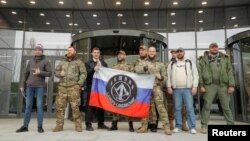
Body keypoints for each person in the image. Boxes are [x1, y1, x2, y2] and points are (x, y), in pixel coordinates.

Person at [198, 42, 235, 134]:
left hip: (223, 85)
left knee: (226, 106)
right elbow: (200, 73)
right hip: (209, 85)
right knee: (206, 106)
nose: (214, 49)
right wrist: (201, 85)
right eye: (212, 47)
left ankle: (230, 125)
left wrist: (231, 85)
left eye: (216, 47)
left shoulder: (225, 58)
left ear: (218, 48)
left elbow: (230, 72)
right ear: (209, 48)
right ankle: (204, 126)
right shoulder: (203, 59)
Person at [136, 46, 172, 135]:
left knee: (161, 107)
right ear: (148, 52)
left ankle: (166, 127)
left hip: (156, 87)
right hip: (145, 88)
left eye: (153, 51)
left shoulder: (160, 64)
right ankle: (144, 126)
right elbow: (136, 70)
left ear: (155, 53)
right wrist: (145, 68)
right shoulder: (142, 62)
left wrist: (161, 77)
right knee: (145, 107)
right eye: (150, 51)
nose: (152, 52)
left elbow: (165, 77)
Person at [16, 44, 52, 133]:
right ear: (35, 51)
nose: (37, 51)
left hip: (40, 86)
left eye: (39, 49)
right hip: (29, 86)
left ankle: (40, 127)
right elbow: (25, 73)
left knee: (40, 106)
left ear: (42, 51)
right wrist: (22, 85)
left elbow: (50, 73)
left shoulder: (46, 61)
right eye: (36, 49)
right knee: (28, 106)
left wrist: (40, 72)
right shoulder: (31, 60)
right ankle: (25, 126)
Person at [53, 46, 87, 132]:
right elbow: (55, 72)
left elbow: (83, 73)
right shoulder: (62, 62)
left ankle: (78, 126)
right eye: (68, 50)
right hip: (62, 87)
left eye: (70, 50)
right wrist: (59, 73)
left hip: (73, 87)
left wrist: (78, 84)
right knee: (60, 107)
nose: (69, 52)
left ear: (75, 52)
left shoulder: (79, 62)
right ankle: (59, 126)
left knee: (75, 107)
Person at [167, 47, 198, 134]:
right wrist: (169, 86)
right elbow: (168, 76)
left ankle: (192, 127)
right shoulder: (172, 64)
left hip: (188, 89)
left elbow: (196, 75)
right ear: (176, 53)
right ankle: (178, 126)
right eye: (178, 52)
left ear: (184, 53)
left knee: (190, 108)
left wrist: (194, 86)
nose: (179, 53)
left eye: (181, 51)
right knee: (177, 108)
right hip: (176, 89)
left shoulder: (190, 62)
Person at [108, 50, 135, 132]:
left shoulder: (129, 66)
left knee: (128, 108)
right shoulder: (113, 67)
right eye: (119, 55)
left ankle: (131, 125)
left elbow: (134, 76)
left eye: (122, 54)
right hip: (116, 90)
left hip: (127, 90)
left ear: (125, 56)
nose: (120, 56)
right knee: (115, 107)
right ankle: (114, 125)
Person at [84, 47, 109, 131]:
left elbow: (107, 74)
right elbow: (86, 73)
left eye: (98, 53)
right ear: (92, 53)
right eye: (95, 52)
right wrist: (93, 69)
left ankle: (101, 123)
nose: (96, 54)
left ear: (99, 54)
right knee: (90, 105)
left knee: (101, 104)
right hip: (92, 86)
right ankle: (88, 124)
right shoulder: (87, 63)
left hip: (101, 87)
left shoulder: (104, 63)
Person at [165, 49, 188, 131]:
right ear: (171, 54)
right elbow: (166, 76)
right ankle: (171, 123)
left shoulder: (183, 62)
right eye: (173, 53)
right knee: (170, 106)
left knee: (182, 106)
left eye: (175, 53)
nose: (174, 54)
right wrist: (168, 87)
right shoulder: (168, 64)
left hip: (180, 87)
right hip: (171, 88)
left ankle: (183, 123)